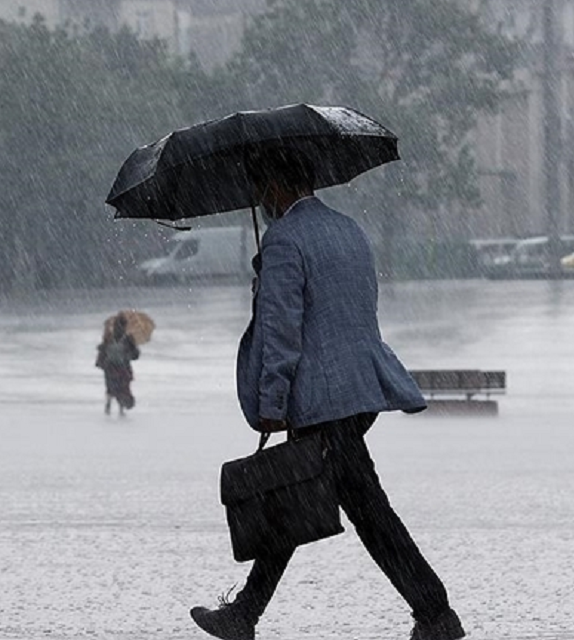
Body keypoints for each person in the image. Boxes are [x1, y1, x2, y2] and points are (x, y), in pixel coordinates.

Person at [189, 147, 463, 640]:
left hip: (321, 399)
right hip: (360, 391)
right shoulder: (349, 230)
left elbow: (281, 332)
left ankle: (436, 614)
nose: (259, 197)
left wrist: (271, 404)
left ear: (276, 185)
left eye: (260, 187)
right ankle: (245, 613)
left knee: (367, 510)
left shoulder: (284, 241)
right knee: (298, 494)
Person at [95, 312, 140, 415]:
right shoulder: (125, 338)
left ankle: (111, 406)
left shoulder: (111, 337)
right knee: (121, 387)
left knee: (113, 387)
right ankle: (118, 408)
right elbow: (135, 355)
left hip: (112, 367)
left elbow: (102, 349)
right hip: (120, 367)